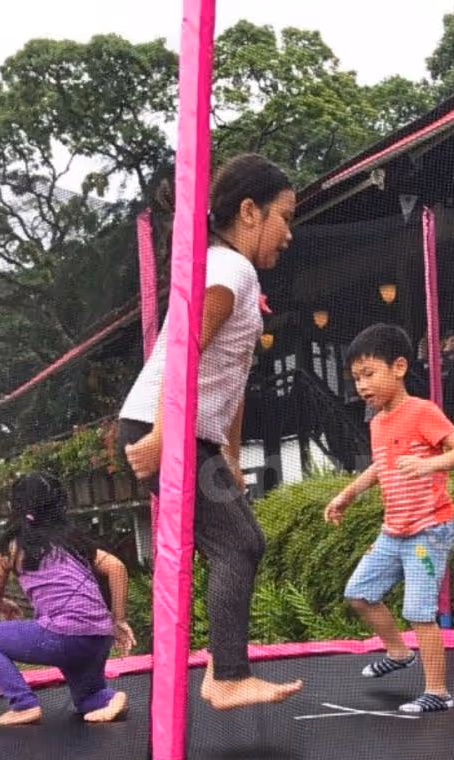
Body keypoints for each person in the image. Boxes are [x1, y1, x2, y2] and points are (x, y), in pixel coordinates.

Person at [118, 152, 303, 710]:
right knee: (239, 545)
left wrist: (229, 452)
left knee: (243, 541)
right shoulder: (230, 269)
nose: (289, 235)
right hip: (165, 425)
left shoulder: (229, 271)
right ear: (250, 211)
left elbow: (233, 379)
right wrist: (160, 437)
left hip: (186, 431)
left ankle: (222, 672)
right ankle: (225, 677)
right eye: (285, 217)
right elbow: (185, 354)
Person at [324, 324, 454, 713]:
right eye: (357, 378)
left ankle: (438, 692)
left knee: (419, 611)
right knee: (358, 594)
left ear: (398, 367)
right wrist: (347, 494)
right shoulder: (377, 422)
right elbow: (380, 466)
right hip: (394, 530)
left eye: (369, 374)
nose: (362, 385)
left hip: (429, 530)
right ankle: (397, 651)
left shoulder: (422, 412)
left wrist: (431, 465)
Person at [0, 473, 133, 727]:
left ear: (17, 506)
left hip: (62, 638)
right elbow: (117, 567)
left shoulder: (11, 545)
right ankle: (109, 699)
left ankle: (23, 705)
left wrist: (4, 606)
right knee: (88, 698)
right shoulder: (73, 540)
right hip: (98, 638)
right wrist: (118, 620)